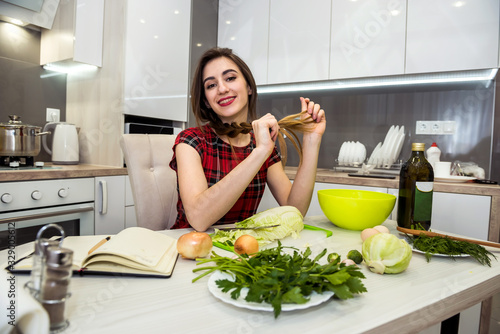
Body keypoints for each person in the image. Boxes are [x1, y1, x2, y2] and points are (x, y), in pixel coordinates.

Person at [169, 47, 326, 231]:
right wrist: (259, 153)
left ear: (249, 87)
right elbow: (198, 219)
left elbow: (295, 210)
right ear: (206, 101)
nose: (222, 89)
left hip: (239, 248)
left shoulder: (262, 144)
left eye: (230, 78)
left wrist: (311, 141)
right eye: (211, 85)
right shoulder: (191, 141)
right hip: (190, 249)